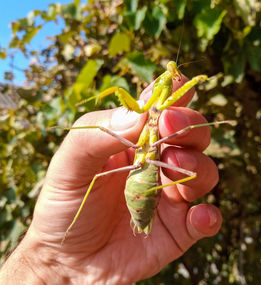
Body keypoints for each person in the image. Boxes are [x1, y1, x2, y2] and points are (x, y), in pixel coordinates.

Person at [0, 76, 222, 284]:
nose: (172, 76)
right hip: (144, 173)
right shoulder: (144, 115)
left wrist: (48, 266)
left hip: (144, 172)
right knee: (187, 161)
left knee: (188, 155)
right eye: (170, 74)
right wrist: (49, 259)